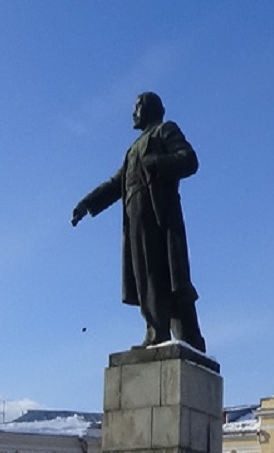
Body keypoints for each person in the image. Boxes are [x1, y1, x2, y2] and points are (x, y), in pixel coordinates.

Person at [72, 92, 206, 352]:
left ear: (150, 109)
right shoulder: (133, 149)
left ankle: (187, 338)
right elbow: (116, 184)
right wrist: (87, 204)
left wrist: (156, 162)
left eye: (137, 107)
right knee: (147, 275)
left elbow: (189, 160)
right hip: (137, 222)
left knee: (171, 277)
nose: (133, 113)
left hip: (160, 217)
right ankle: (155, 330)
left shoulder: (164, 131)